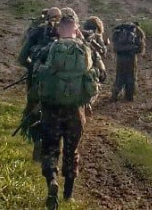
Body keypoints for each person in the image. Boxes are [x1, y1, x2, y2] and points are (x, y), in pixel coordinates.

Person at [33, 13, 102, 210]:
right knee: (71, 151)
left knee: (50, 148)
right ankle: (68, 195)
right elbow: (95, 77)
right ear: (76, 28)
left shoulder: (51, 47)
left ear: (59, 28)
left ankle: (52, 181)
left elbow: (38, 72)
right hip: (75, 111)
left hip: (52, 109)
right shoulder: (84, 48)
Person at [16, 7, 61, 160]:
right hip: (59, 84)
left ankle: (37, 140)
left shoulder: (37, 31)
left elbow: (22, 58)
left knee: (32, 111)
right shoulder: (68, 34)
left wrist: (33, 68)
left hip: (36, 80)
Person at [111, 22, 146, 101]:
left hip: (120, 59)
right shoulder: (136, 33)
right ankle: (129, 96)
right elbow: (140, 49)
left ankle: (115, 94)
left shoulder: (118, 33)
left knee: (119, 77)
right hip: (131, 59)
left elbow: (115, 48)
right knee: (131, 77)